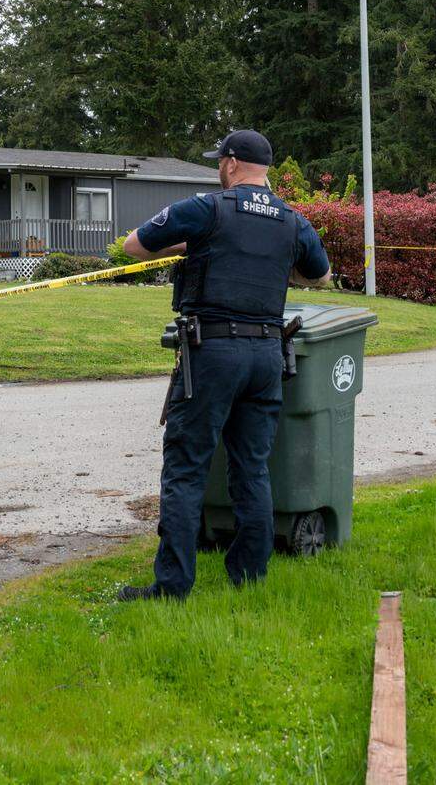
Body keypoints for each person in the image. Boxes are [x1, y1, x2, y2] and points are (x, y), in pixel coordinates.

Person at [117, 129, 331, 601]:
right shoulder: (293, 220)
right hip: (267, 355)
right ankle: (249, 577)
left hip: (212, 352)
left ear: (231, 164)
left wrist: (186, 246)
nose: (218, 167)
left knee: (186, 467)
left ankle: (173, 586)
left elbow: (134, 245)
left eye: (219, 161)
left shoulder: (206, 209)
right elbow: (321, 275)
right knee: (252, 467)